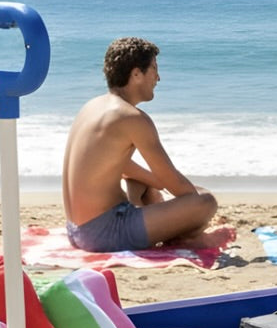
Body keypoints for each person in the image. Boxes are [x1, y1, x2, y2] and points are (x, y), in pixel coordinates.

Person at [62, 38, 217, 251]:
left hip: (76, 229)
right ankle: (185, 237)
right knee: (206, 201)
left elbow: (120, 166)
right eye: (154, 69)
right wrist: (192, 213)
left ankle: (165, 220)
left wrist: (155, 184)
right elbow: (176, 184)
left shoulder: (93, 106)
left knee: (144, 183)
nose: (158, 78)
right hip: (104, 233)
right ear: (136, 74)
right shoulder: (132, 118)